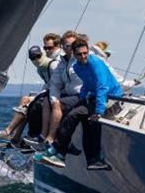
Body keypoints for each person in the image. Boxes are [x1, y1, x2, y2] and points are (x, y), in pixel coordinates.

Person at [36, 39, 122, 169]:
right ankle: (92, 160)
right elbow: (87, 85)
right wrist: (81, 100)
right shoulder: (77, 66)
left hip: (111, 98)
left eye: (85, 53)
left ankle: (57, 151)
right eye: (79, 54)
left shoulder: (96, 63)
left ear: (88, 51)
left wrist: (99, 111)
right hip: (95, 97)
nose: (83, 57)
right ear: (74, 54)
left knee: (75, 114)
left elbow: (102, 87)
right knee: (75, 115)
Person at [0, 36, 60, 145]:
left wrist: (41, 96)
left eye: (38, 56)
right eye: (32, 58)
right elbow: (47, 84)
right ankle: (15, 137)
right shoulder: (40, 68)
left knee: (32, 104)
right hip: (49, 91)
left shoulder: (54, 63)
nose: (36, 59)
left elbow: (59, 84)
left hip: (56, 94)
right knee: (25, 99)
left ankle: (9, 132)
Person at [40, 31, 84, 148]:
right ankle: (43, 136)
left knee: (58, 105)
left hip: (82, 95)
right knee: (47, 101)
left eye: (73, 45)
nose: (70, 48)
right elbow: (55, 84)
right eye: (67, 45)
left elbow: (106, 73)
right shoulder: (63, 63)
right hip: (70, 95)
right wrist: (53, 99)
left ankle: (51, 138)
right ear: (63, 47)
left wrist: (128, 84)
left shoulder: (82, 59)